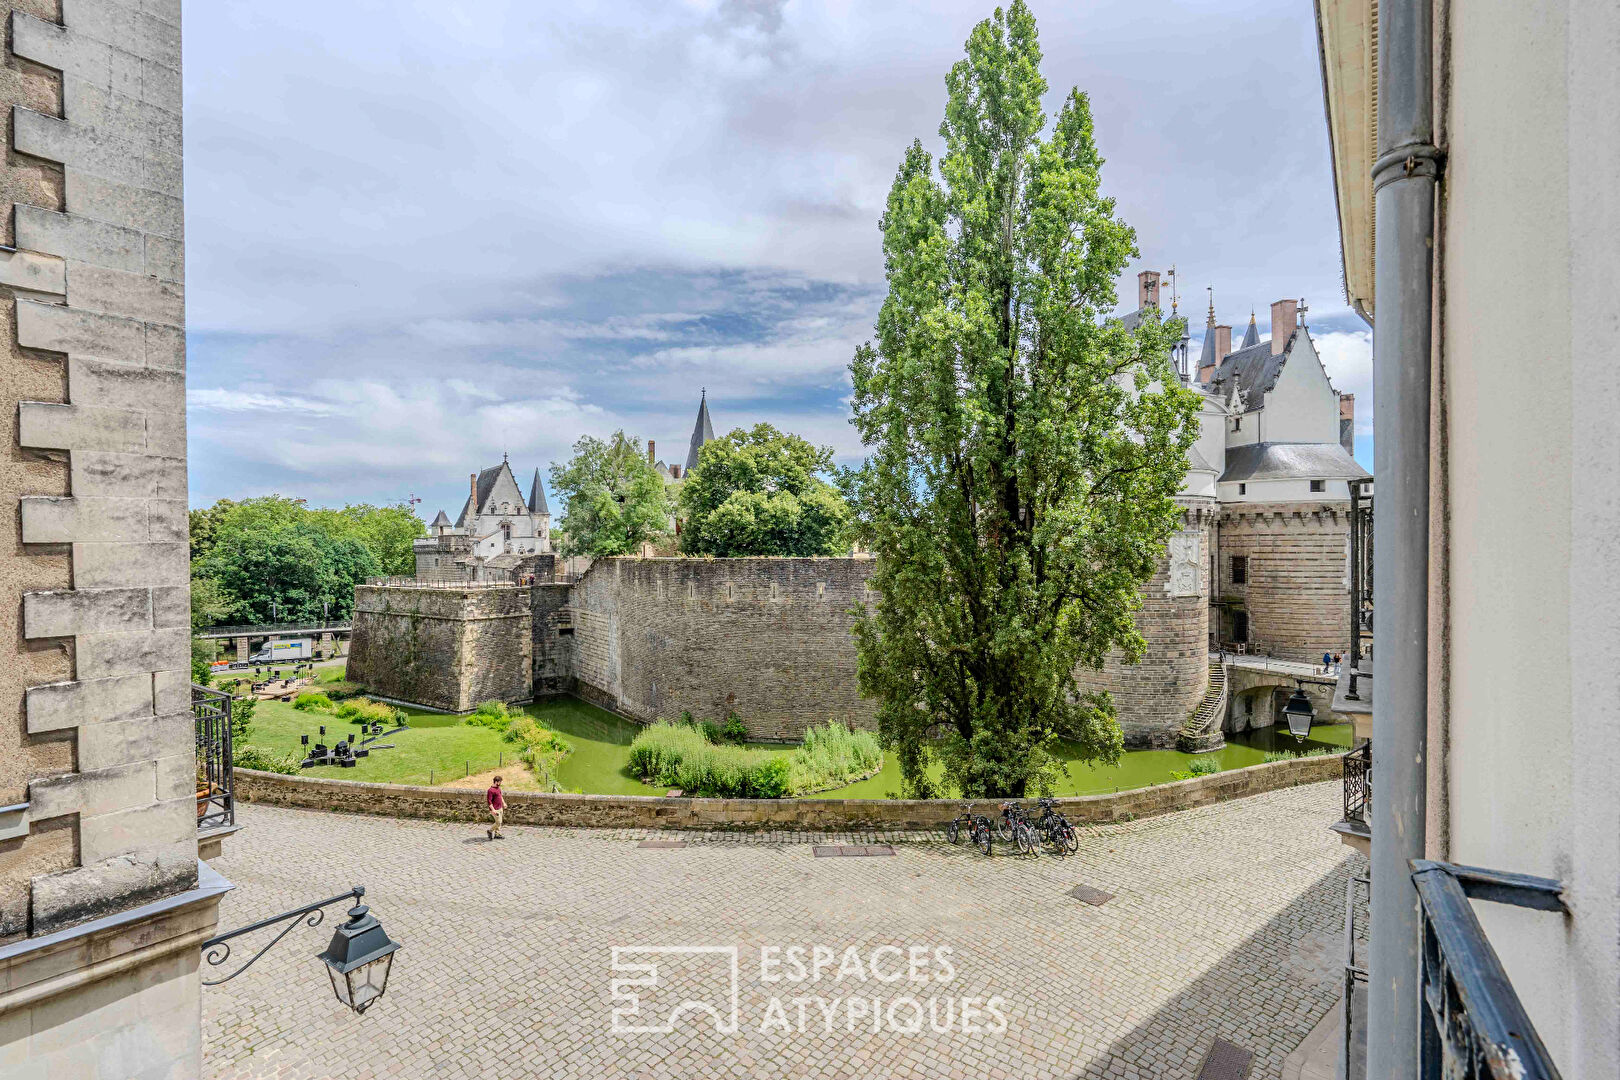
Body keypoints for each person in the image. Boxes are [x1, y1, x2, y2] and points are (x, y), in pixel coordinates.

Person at [486, 775, 505, 840]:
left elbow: (500, 796)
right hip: (495, 809)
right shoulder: (490, 790)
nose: (500, 783)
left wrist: (504, 803)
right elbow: (489, 802)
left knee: (500, 822)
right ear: (496, 782)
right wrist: (493, 810)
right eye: (500, 782)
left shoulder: (498, 788)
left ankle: (497, 834)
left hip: (500, 808)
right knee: (498, 822)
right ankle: (490, 831)